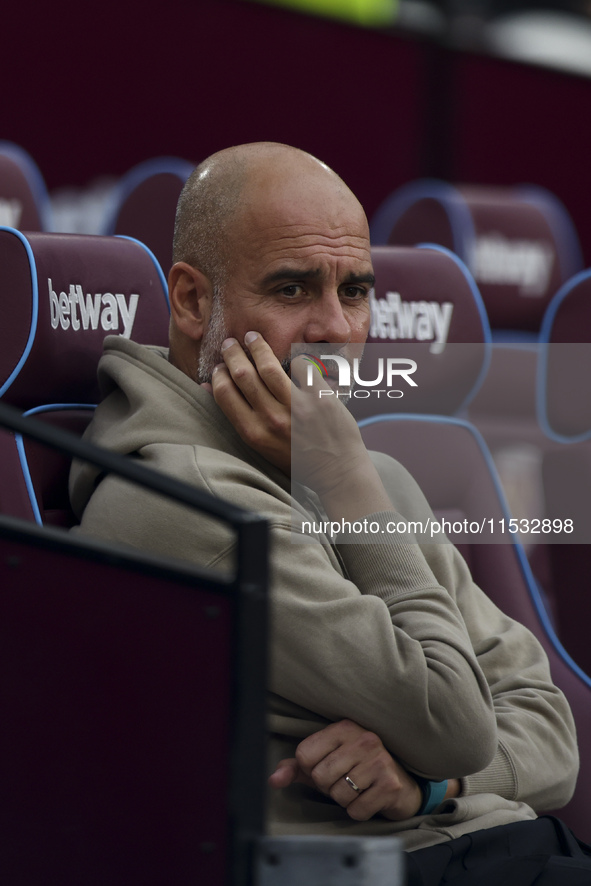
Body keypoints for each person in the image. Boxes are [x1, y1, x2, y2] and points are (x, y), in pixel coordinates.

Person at [70, 143, 589, 883]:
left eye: (354, 291)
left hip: (498, 844)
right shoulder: (185, 501)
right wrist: (347, 487)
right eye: (291, 290)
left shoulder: (369, 473)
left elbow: (550, 728)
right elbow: (455, 719)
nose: (337, 331)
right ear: (190, 302)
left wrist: (430, 784)